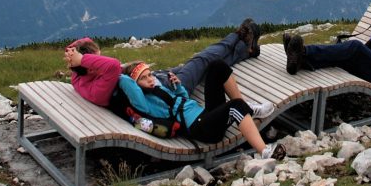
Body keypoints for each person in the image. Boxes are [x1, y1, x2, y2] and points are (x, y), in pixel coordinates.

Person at [63, 18, 264, 108]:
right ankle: (239, 36)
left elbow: (88, 44)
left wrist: (75, 55)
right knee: (203, 59)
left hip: (155, 79)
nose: (101, 60)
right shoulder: (98, 87)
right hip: (168, 88)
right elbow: (114, 65)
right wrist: (82, 58)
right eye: (97, 59)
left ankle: (245, 50)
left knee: (204, 66)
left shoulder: (80, 77)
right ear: (88, 64)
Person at [117, 58, 285, 159]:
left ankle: (247, 109)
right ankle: (265, 151)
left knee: (217, 66)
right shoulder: (144, 102)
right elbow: (126, 81)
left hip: (205, 116)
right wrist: (119, 70)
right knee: (235, 106)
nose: (150, 79)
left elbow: (183, 99)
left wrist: (177, 87)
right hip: (201, 129)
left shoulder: (157, 87)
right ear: (135, 84)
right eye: (144, 78)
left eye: (150, 74)